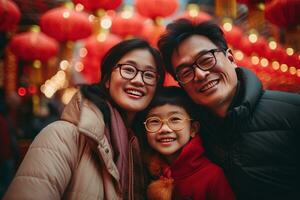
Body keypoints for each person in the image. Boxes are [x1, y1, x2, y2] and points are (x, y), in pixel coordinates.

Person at [4, 38, 165, 200]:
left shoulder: (148, 153)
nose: (138, 80)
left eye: (149, 74)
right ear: (107, 79)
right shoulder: (62, 136)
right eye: (129, 70)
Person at [158, 19, 300, 200]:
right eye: (186, 72)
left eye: (206, 60)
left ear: (231, 59)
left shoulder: (293, 111)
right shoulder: (191, 134)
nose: (200, 74)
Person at [137, 86, 235, 200]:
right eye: (154, 121)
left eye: (175, 119)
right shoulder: (145, 172)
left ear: (193, 129)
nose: (164, 129)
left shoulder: (212, 176)